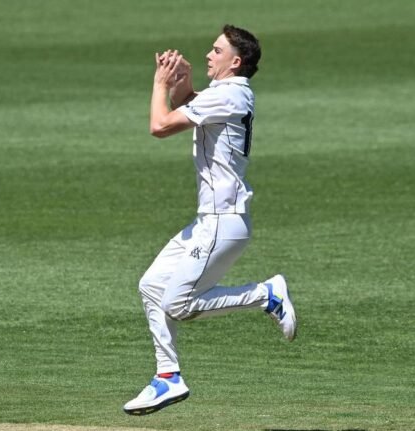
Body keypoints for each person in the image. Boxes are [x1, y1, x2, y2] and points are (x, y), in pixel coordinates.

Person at [123, 24, 297, 416]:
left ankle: (265, 295)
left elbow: (160, 126)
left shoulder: (231, 94)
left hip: (223, 220)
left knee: (179, 303)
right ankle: (167, 376)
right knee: (152, 286)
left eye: (216, 50)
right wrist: (182, 81)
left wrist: (160, 83)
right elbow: (192, 106)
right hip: (209, 221)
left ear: (235, 62)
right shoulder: (226, 94)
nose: (208, 54)